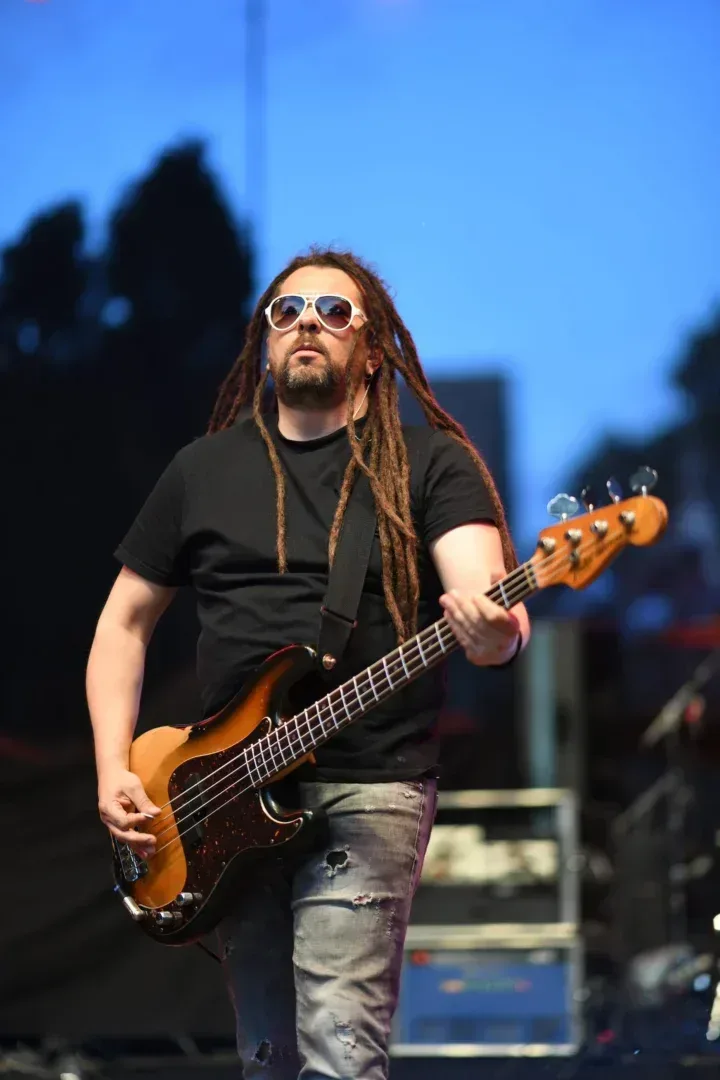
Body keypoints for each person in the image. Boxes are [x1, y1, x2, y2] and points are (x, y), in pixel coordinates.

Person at [86, 248, 530, 1080]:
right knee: (270, 1060)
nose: (306, 325)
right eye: (286, 311)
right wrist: (114, 765)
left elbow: (487, 605)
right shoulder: (202, 470)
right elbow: (123, 625)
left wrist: (491, 631)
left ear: (373, 347)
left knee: (339, 1054)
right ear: (265, 341)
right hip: (221, 793)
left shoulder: (431, 462)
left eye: (333, 311)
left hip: (368, 786)